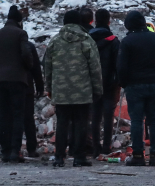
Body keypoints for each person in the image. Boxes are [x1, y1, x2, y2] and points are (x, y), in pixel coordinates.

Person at [43, 10, 103, 168]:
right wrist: (97, 89)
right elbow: (95, 68)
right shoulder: (86, 40)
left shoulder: (55, 41)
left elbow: (47, 67)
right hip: (82, 91)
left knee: (62, 124)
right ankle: (79, 157)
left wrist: (50, 87)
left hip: (61, 91)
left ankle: (59, 157)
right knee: (81, 124)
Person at [118, 10, 155, 166]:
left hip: (135, 86)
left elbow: (121, 66)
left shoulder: (127, 41)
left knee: (137, 120)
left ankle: (138, 155)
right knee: (154, 120)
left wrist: (123, 82)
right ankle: (154, 154)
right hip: (154, 85)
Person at [0, 5, 33, 163]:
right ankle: (15, 150)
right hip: (18, 80)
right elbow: (26, 53)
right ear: (19, 21)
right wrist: (26, 67)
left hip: (0, 81)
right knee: (18, 115)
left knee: (4, 116)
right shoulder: (21, 34)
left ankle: (5, 151)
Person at [89, 9, 120, 158]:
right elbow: (118, 64)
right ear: (109, 21)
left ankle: (95, 147)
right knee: (108, 116)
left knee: (95, 115)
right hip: (110, 84)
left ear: (95, 20)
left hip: (92, 83)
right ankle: (106, 147)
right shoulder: (113, 40)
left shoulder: (87, 40)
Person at [24, 40, 44, 159]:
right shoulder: (29, 45)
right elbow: (36, 67)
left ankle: (10, 150)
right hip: (26, 85)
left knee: (8, 118)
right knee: (28, 119)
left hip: (4, 85)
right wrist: (39, 86)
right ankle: (31, 149)